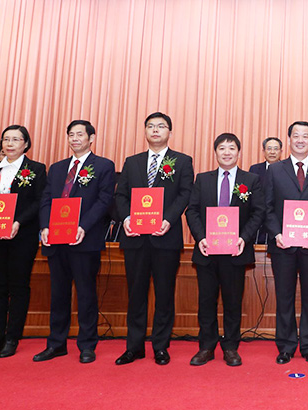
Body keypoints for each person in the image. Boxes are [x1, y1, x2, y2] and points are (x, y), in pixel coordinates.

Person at [114, 112, 194, 365]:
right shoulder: (132, 162)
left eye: (161, 126)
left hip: (165, 237)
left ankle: (160, 346)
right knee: (136, 294)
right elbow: (120, 195)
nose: (156, 130)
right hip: (135, 238)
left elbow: (185, 194)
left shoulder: (182, 161)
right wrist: (127, 219)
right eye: (151, 126)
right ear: (145, 131)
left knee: (164, 293)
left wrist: (168, 219)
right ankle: (134, 347)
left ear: (169, 131)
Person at [33, 120, 116, 364]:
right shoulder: (57, 168)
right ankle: (56, 344)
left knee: (86, 294)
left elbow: (104, 201)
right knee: (58, 294)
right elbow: (46, 199)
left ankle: (87, 345)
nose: (75, 139)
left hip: (84, 240)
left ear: (91, 138)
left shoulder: (103, 166)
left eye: (80, 134)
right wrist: (45, 227)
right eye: (71, 134)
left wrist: (83, 227)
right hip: (56, 240)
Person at [185, 133, 264, 367]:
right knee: (206, 301)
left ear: (238, 152)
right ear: (215, 152)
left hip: (235, 252)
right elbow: (192, 211)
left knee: (232, 302)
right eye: (222, 148)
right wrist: (201, 238)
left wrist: (243, 238)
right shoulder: (202, 179)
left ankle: (230, 347)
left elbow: (258, 212)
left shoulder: (251, 180)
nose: (227, 152)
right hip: (207, 250)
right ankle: (206, 347)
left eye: (231, 148)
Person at [264, 121, 308, 365]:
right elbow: (267, 207)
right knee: (284, 297)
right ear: (289, 140)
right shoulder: (275, 170)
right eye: (296, 135)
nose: (301, 140)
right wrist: (276, 234)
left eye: (305, 136)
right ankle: (285, 346)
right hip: (283, 246)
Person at [0, 125, 46, 358]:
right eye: (6, 139)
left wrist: (18, 222)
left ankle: (12, 337)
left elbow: (39, 202)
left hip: (21, 237)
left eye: (16, 139)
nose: (10, 144)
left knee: (18, 286)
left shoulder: (36, 169)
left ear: (26, 144)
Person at [248, 137, 282, 244]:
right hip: (259, 219)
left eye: (275, 149)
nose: (272, 152)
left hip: (278, 218)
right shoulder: (254, 169)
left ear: (281, 152)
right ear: (263, 151)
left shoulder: (287, 169)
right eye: (269, 148)